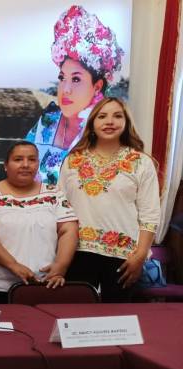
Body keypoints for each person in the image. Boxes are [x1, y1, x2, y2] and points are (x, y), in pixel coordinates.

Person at [60, 98, 160, 302]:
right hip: (77, 251)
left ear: (126, 122)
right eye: (102, 116)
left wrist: (140, 255)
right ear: (92, 123)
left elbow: (150, 214)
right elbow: (61, 209)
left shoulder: (141, 162)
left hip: (124, 256)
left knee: (117, 316)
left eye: (117, 116)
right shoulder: (72, 160)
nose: (110, 121)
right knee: (76, 315)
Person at [0, 141, 78, 304]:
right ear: (6, 165)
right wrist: (13, 265)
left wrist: (61, 265)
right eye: (18, 159)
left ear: (38, 164)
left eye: (32, 159)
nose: (25, 165)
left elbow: (69, 229)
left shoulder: (53, 193)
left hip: (43, 285)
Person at [26, 5, 124, 185]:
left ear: (97, 86)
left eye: (76, 79)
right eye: (62, 78)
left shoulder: (105, 129)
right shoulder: (48, 120)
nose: (66, 89)